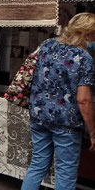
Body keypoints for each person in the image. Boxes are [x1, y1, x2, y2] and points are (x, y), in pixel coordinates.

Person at [22, 13, 95, 189]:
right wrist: (92, 131)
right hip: (66, 123)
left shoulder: (48, 45)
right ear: (88, 34)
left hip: (39, 116)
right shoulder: (84, 58)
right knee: (66, 172)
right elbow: (84, 99)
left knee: (37, 165)